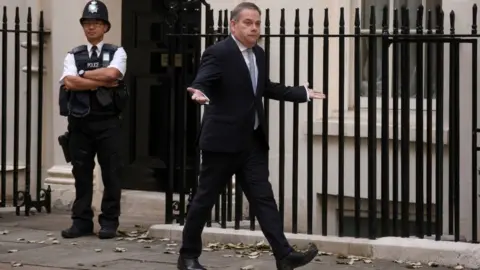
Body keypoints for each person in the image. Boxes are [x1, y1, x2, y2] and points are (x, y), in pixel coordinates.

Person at [177, 2, 326, 270]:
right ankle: (188, 256)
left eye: (257, 23)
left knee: (263, 198)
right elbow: (204, 79)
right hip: (222, 142)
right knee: (204, 199)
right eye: (248, 22)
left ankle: (284, 255)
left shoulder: (258, 54)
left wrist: (300, 93)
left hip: (251, 142)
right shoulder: (218, 52)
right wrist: (198, 91)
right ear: (233, 25)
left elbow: (263, 87)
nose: (254, 28)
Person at [58, 0, 128, 240]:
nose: (91, 27)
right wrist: (98, 80)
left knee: (111, 174)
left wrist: (83, 75)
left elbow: (113, 74)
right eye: (87, 23)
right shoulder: (73, 54)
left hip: (108, 122)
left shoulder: (117, 52)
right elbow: (69, 82)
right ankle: (81, 222)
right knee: (82, 175)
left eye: (96, 23)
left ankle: (109, 223)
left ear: (105, 26)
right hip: (79, 123)